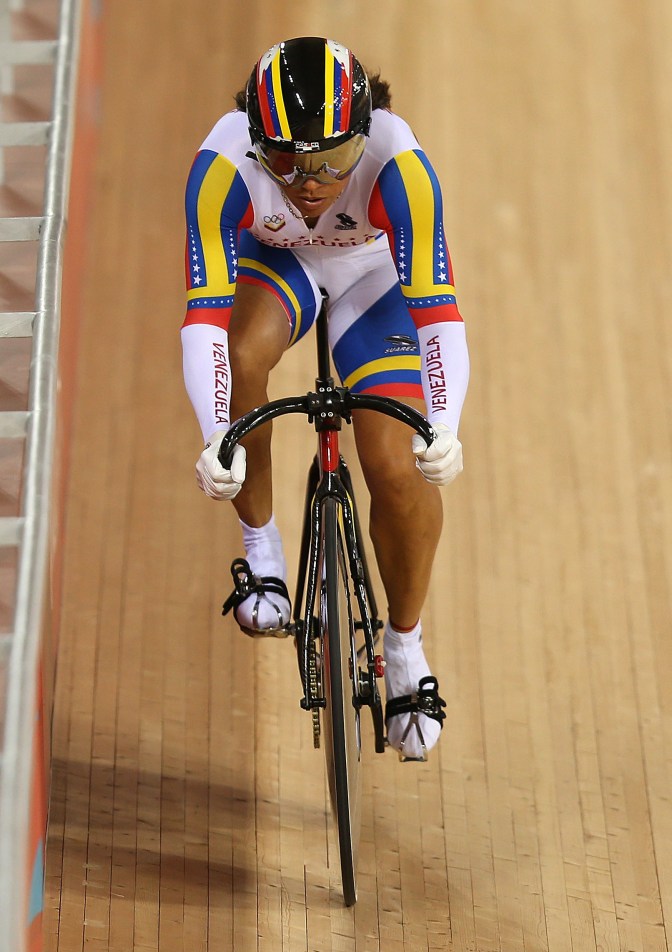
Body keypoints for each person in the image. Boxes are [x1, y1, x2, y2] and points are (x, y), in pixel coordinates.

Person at [181, 37, 469, 759]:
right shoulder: (219, 170)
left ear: (364, 135)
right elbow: (206, 324)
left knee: (395, 466)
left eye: (332, 161)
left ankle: (405, 649)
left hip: (375, 279)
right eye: (287, 163)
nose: (310, 183)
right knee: (246, 357)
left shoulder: (401, 167)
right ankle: (262, 549)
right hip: (280, 264)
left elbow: (439, 317)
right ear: (254, 141)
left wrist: (445, 425)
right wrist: (218, 432)